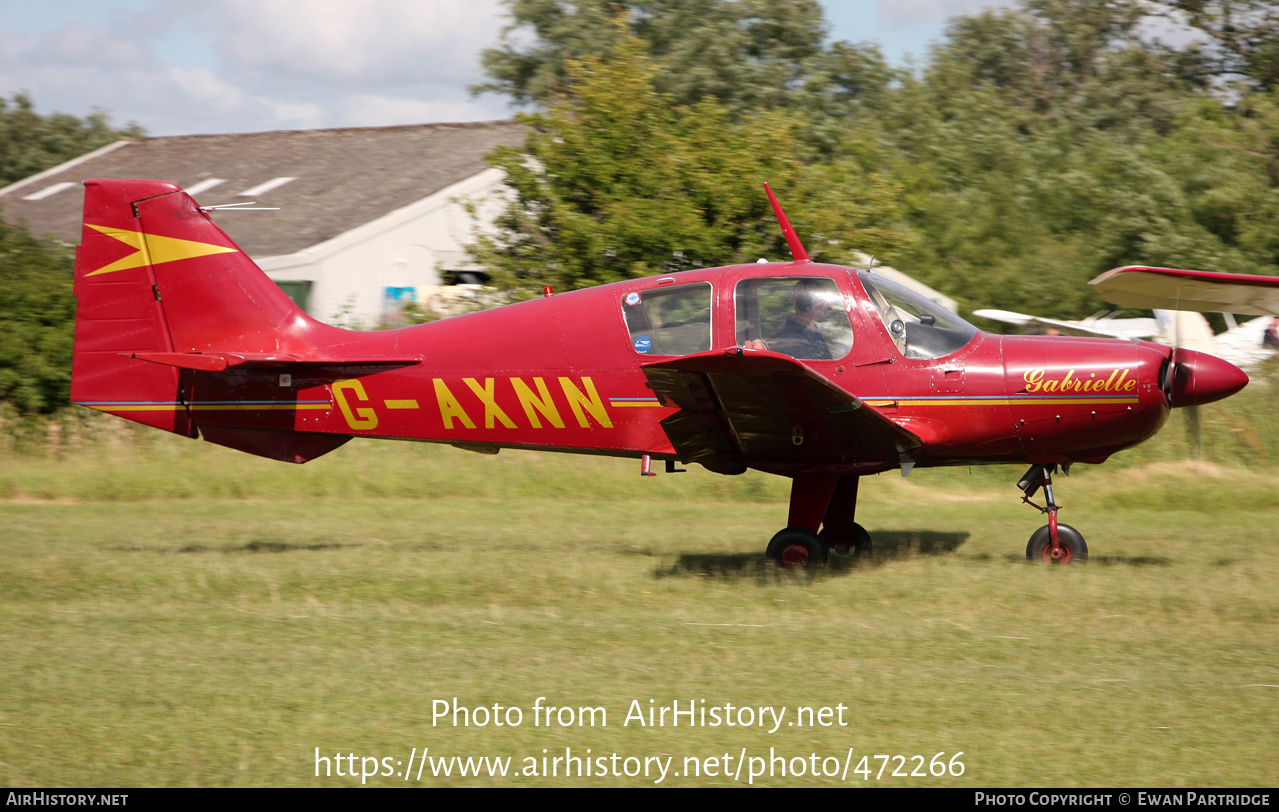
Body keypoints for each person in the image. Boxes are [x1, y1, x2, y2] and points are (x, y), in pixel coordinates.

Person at [769, 278, 834, 360]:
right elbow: (813, 369)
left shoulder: (811, 329)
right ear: (807, 304)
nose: (827, 303)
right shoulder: (793, 340)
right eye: (821, 298)